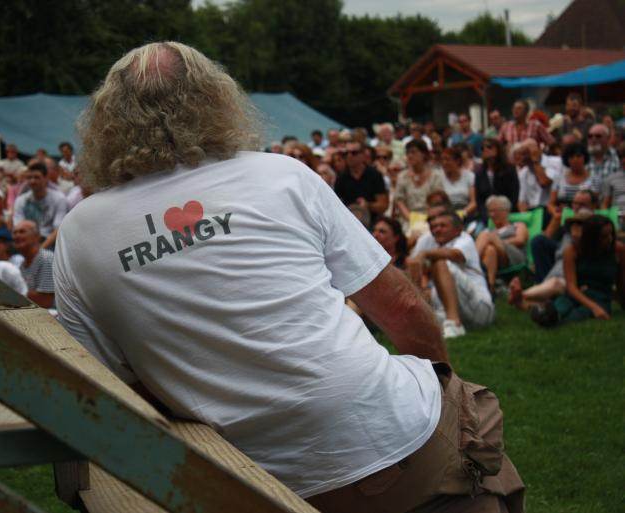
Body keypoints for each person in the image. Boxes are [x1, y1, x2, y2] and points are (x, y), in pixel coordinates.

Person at [54, 42, 523, 513]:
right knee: (477, 438)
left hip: (243, 481)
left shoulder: (79, 232)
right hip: (388, 447)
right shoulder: (278, 176)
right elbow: (401, 309)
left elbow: (106, 385)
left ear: (106, 119)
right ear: (216, 99)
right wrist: (447, 399)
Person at [409, 210, 494, 338]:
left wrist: (425, 254)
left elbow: (455, 254)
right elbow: (413, 263)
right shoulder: (428, 240)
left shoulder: (465, 239)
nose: (437, 230)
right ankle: (450, 323)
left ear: (458, 229)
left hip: (480, 309)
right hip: (445, 310)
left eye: (443, 226)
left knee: (441, 263)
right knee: (414, 322)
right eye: (433, 227)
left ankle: (454, 323)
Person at [531, 215, 624, 326]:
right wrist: (593, 307)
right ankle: (545, 313)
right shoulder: (572, 250)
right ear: (592, 237)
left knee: (575, 316)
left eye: (611, 234)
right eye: (604, 236)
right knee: (560, 307)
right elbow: (571, 287)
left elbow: (621, 283)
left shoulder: (618, 250)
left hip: (600, 298)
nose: (610, 239)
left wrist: (599, 307)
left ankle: (551, 319)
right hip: (576, 294)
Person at [476, 196, 528, 293]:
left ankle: (471, 262)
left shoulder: (518, 225)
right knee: (490, 250)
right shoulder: (489, 230)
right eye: (490, 211)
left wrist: (496, 241)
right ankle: (489, 287)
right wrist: (494, 242)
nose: (492, 215)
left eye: (495, 211)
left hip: (515, 256)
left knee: (486, 236)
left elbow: (520, 240)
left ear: (506, 211)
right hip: (498, 257)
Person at [12, 161, 68, 249]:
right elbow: (18, 227)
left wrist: (40, 250)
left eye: (37, 177)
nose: (32, 181)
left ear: (46, 178)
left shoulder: (59, 198)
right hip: (26, 242)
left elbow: (58, 230)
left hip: (50, 242)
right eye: (29, 178)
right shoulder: (21, 200)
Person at [394, 140, 445, 231]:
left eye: (413, 152)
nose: (410, 156)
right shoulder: (402, 176)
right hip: (407, 219)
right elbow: (399, 201)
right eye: (408, 153)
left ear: (424, 154)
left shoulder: (436, 176)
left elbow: (437, 201)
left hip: (430, 218)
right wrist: (411, 219)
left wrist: (426, 219)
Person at [334, 140, 388, 218]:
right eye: (346, 153)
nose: (349, 156)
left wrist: (368, 205)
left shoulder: (374, 175)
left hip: (371, 220)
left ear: (363, 155)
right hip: (348, 219)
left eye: (354, 153)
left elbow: (383, 205)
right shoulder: (341, 178)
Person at [474, 138, 519, 222]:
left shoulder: (509, 170)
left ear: (497, 149)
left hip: (508, 215)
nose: (485, 150)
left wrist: (503, 214)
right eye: (482, 148)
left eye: (489, 147)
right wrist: (486, 216)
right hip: (487, 217)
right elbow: (479, 200)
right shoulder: (480, 173)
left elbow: (514, 195)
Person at [13, 220, 54, 308]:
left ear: (36, 236)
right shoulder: (22, 265)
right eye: (14, 233)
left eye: (22, 232)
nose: (17, 236)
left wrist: (12, 292)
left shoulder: (46, 259)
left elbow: (46, 301)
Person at [548, 142, 601, 210]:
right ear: (567, 159)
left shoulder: (595, 179)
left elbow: (595, 204)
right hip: (561, 215)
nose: (575, 159)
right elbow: (551, 203)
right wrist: (555, 213)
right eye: (571, 157)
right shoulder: (558, 178)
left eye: (578, 156)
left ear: (585, 157)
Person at [515, 138, 562, 212]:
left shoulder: (555, 162)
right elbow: (521, 201)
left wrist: (535, 160)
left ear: (538, 151)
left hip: (550, 210)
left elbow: (544, 182)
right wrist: (525, 217)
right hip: (533, 211)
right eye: (521, 153)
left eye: (525, 153)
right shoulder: (523, 173)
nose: (522, 157)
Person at [440, 147, 476, 216]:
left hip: (465, 212)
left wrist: (462, 213)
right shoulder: (439, 178)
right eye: (442, 160)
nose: (444, 163)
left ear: (457, 161)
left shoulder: (469, 176)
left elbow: (473, 202)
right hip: (446, 213)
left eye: (447, 159)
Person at [603, 145, 625, 230]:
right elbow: (605, 205)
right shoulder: (610, 179)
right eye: (621, 157)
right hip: (617, 220)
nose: (624, 160)